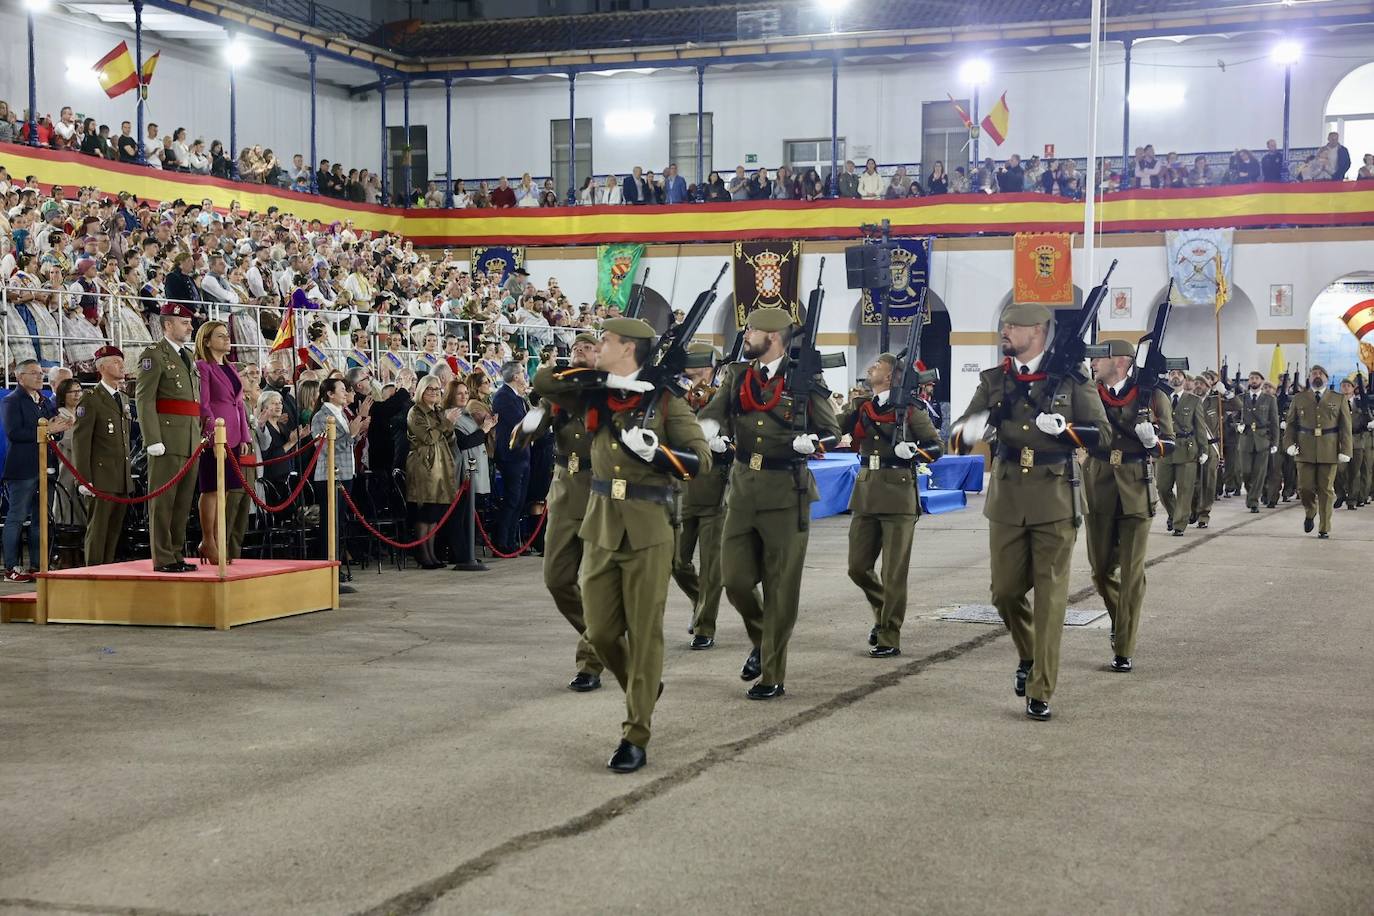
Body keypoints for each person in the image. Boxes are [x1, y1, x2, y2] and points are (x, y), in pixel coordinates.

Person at [532, 316, 710, 773]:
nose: (599, 344)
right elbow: (543, 382)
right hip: (600, 523)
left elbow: (702, 461)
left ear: (628, 347)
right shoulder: (597, 392)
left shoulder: (665, 402)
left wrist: (657, 453)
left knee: (644, 631)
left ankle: (635, 732)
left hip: (648, 527)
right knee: (602, 630)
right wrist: (594, 375)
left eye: (606, 340)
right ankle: (641, 683)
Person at [948, 302, 1110, 720]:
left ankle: (1041, 687)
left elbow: (1104, 437)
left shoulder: (1074, 380)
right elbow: (959, 435)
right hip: (1006, 497)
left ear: (1037, 331)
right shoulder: (994, 379)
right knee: (1004, 593)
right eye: (1003, 324)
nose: (1004, 330)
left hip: (1054, 496)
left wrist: (1068, 430)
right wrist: (970, 429)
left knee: (1051, 599)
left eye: (1012, 326)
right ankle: (1028, 653)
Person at [698, 307, 840, 700]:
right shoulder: (739, 375)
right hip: (743, 489)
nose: (745, 334)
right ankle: (762, 640)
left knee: (781, 588)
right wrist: (705, 430)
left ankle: (772, 674)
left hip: (786, 492)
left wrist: (814, 443)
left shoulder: (805, 379)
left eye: (752, 330)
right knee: (735, 579)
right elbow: (716, 410)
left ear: (774, 337)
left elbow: (831, 429)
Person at [837, 353, 943, 658]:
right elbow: (832, 427)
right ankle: (885, 609)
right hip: (867, 491)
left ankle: (889, 634)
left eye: (876, 366)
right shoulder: (862, 407)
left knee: (894, 572)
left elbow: (935, 446)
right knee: (858, 567)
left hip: (898, 494)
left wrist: (914, 451)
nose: (870, 369)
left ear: (891, 376)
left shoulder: (910, 409)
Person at [516, 332, 604, 688]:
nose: (581, 353)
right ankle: (604, 636)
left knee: (597, 585)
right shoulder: (561, 390)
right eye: (577, 348)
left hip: (602, 492)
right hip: (566, 491)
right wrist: (530, 425)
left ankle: (590, 662)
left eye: (589, 348)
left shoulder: (612, 389)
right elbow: (532, 428)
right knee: (556, 578)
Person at [1083, 340, 1175, 674]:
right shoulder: (1089, 393)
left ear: (1121, 362)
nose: (1093, 364)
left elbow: (1170, 442)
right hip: (1099, 482)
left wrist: (1154, 442)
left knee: (1132, 574)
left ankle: (1124, 646)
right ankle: (1122, 619)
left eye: (1099, 358)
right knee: (1101, 571)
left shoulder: (1152, 396)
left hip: (1136, 486)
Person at [672, 343, 731, 650]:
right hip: (683, 490)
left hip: (716, 492)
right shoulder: (677, 397)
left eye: (696, 365)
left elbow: (741, 438)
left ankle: (705, 625)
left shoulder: (725, 395)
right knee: (677, 562)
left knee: (711, 566)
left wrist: (726, 446)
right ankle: (700, 601)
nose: (690, 371)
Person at [134, 302, 202, 573]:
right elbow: (144, 398)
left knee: (182, 502)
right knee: (163, 502)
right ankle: (162, 557)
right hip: (166, 438)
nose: (190, 327)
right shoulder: (154, 354)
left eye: (189, 322)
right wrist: (152, 439)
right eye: (184, 322)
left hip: (189, 439)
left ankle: (175, 553)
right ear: (167, 324)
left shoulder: (187, 355)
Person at [2, 360, 70, 582]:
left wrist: (58, 428)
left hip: (46, 466)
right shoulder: (12, 401)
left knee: (42, 518)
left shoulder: (44, 402)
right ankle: (11, 567)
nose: (40, 377)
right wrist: (47, 429)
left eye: (41, 373)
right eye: (34, 373)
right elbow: (15, 433)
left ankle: (37, 564)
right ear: (20, 377)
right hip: (23, 468)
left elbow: (54, 430)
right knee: (17, 517)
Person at [194, 320, 253, 565]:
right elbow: (204, 404)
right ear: (207, 341)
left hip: (235, 435)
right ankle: (208, 540)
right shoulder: (203, 366)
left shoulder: (231, 367)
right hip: (215, 436)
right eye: (220, 336)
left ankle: (218, 539)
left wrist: (246, 435)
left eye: (227, 335)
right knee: (211, 489)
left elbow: (239, 404)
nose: (227, 339)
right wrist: (211, 433)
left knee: (226, 489)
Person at [72, 346, 133, 566]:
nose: (122, 365)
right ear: (102, 367)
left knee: (114, 530)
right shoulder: (91, 399)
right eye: (116, 362)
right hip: (100, 477)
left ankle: (107, 569)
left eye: (121, 361)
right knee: (98, 530)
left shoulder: (123, 398)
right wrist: (83, 478)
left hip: (121, 476)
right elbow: (81, 441)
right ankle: (93, 572)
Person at [312, 377, 369, 592]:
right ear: (329, 393)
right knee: (330, 524)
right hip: (329, 475)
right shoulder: (322, 416)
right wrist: (352, 433)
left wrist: (358, 430)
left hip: (345, 473)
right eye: (342, 389)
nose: (346, 393)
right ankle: (328, 570)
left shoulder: (341, 413)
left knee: (340, 523)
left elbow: (348, 442)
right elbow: (326, 447)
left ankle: (336, 566)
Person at [1283, 365, 1352, 538]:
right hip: (1305, 449)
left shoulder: (1338, 399)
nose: (1317, 376)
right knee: (1304, 488)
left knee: (1326, 490)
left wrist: (1345, 450)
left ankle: (1324, 527)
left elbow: (1345, 427)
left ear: (1326, 378)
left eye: (1320, 373)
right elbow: (1291, 424)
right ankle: (1310, 510)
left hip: (1329, 449)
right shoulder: (1299, 398)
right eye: (1314, 373)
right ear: (1309, 377)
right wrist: (1289, 443)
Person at [405, 375, 458, 569]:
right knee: (425, 512)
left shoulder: (438, 411)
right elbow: (427, 437)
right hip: (424, 465)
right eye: (430, 389)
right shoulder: (415, 412)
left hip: (441, 463)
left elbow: (448, 437)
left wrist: (449, 425)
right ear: (421, 390)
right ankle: (422, 553)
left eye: (437, 389)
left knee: (436, 512)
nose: (435, 392)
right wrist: (445, 423)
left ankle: (432, 552)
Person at [1156, 368, 1211, 536]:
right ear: (1168, 377)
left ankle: (1179, 524)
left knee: (1185, 490)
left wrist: (1204, 449)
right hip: (1165, 448)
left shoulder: (1194, 400)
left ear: (1185, 379)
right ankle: (1174, 514)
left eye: (1179, 374)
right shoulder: (1160, 397)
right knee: (1162, 488)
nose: (1175, 377)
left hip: (1187, 448)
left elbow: (1200, 427)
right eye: (1172, 374)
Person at [491, 360, 532, 554]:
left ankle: (512, 541)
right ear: (515, 376)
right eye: (523, 372)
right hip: (511, 456)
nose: (524, 376)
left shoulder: (518, 397)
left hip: (522, 454)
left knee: (520, 500)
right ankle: (502, 542)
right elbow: (521, 421)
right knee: (511, 499)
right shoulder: (503, 396)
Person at [1233, 370, 1280, 512]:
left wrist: (1275, 442)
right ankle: (1250, 492)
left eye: (1256, 378)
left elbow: (1274, 422)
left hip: (1262, 439)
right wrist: (1237, 426)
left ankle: (1253, 501)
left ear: (1261, 381)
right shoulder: (1242, 398)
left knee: (1259, 473)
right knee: (1245, 472)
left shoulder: (1269, 399)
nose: (1253, 380)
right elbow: (1234, 417)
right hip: (1246, 438)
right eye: (1251, 378)